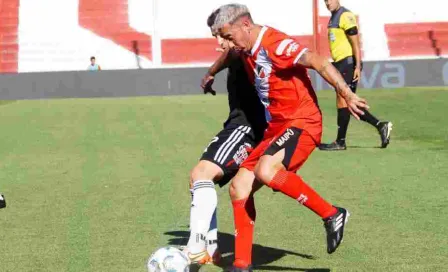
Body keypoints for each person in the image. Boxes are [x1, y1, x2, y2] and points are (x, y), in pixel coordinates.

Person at [211, 3, 370, 271]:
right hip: (278, 129)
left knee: (266, 170)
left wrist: (348, 94)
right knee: (238, 188)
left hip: (302, 122)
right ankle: (241, 265)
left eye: (227, 36)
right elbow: (229, 57)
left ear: (245, 26)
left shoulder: (275, 44)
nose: (225, 43)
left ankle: (332, 214)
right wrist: (210, 73)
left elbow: (318, 61)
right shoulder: (244, 47)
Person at [184, 8, 267, 266]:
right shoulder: (239, 50)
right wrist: (211, 73)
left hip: (245, 128)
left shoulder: (245, 48)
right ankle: (210, 249)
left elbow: (232, 54)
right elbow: (227, 57)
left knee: (201, 175)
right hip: (245, 127)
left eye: (221, 35)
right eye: (215, 36)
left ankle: (196, 247)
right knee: (198, 181)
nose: (219, 42)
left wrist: (210, 72)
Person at [319, 0, 392, 151]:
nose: (327, 3)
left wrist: (357, 66)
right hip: (340, 63)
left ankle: (341, 141)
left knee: (345, 100)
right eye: (325, 1)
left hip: (348, 63)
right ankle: (379, 126)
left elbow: (355, 43)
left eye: (329, 0)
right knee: (347, 101)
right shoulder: (334, 17)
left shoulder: (345, 15)